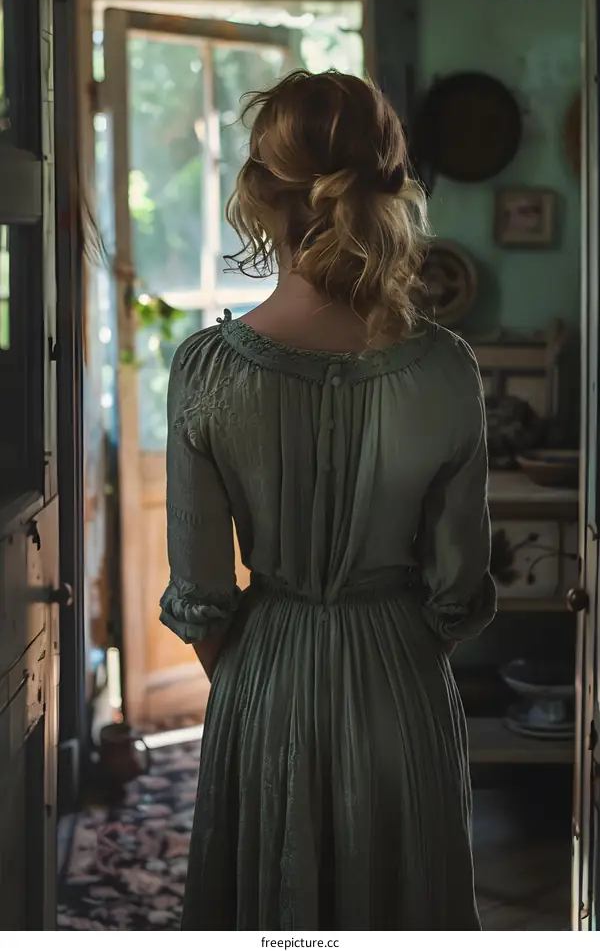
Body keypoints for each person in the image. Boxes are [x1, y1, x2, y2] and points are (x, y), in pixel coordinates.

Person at [160, 69, 496, 931]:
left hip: (264, 677)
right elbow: (460, 591)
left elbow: (200, 600)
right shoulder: (446, 366)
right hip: (401, 682)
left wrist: (262, 677)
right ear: (391, 190)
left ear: (258, 198)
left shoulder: (207, 369)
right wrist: (387, 653)